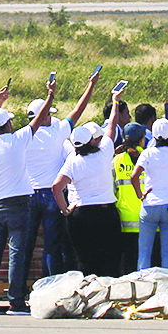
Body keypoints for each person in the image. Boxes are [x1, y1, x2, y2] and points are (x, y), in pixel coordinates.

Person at [0, 90, 50, 315]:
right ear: (7, 124)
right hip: (19, 202)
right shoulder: (18, 139)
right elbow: (39, 119)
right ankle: (15, 302)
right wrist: (50, 95)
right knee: (17, 252)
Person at [23, 69, 100, 285]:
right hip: (51, 195)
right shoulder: (56, 132)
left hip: (29, 195)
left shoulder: (22, 135)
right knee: (51, 245)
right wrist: (91, 86)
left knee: (25, 246)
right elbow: (78, 110)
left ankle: (19, 291)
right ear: (45, 114)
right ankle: (51, 286)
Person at [52, 113, 121, 277]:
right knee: (109, 261)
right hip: (106, 213)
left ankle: (89, 297)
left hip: (80, 215)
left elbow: (56, 187)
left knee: (85, 261)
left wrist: (65, 210)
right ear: (92, 140)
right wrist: (115, 102)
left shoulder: (72, 161)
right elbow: (111, 126)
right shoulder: (104, 153)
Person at [132, 116, 168, 270]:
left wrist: (140, 194)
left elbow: (134, 176)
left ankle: (143, 287)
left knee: (144, 253)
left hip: (150, 205)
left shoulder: (147, 154)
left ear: (153, 135)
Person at [113, 120, 149, 275]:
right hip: (148, 221)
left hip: (125, 222)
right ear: (142, 139)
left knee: (128, 267)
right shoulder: (148, 157)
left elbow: (112, 190)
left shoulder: (117, 161)